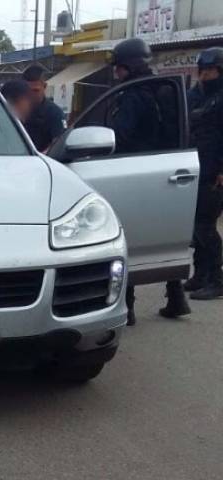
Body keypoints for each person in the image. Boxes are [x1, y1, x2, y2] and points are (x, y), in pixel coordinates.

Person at [108, 38, 191, 323]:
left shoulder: (132, 94)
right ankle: (176, 296)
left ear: (128, 66)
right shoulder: (166, 89)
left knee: (127, 237)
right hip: (171, 169)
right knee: (167, 234)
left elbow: (119, 136)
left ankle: (127, 306)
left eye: (119, 68)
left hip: (136, 171)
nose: (116, 73)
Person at [184, 47, 223, 300]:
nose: (205, 75)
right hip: (194, 167)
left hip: (215, 172)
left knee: (205, 225)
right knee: (195, 226)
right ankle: (200, 274)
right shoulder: (196, 95)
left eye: (210, 71)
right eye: (203, 70)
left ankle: (216, 279)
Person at [22, 65, 66, 152]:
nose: (31, 95)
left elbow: (58, 143)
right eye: (28, 90)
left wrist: (40, 156)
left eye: (35, 90)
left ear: (44, 86)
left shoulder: (54, 113)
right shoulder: (16, 110)